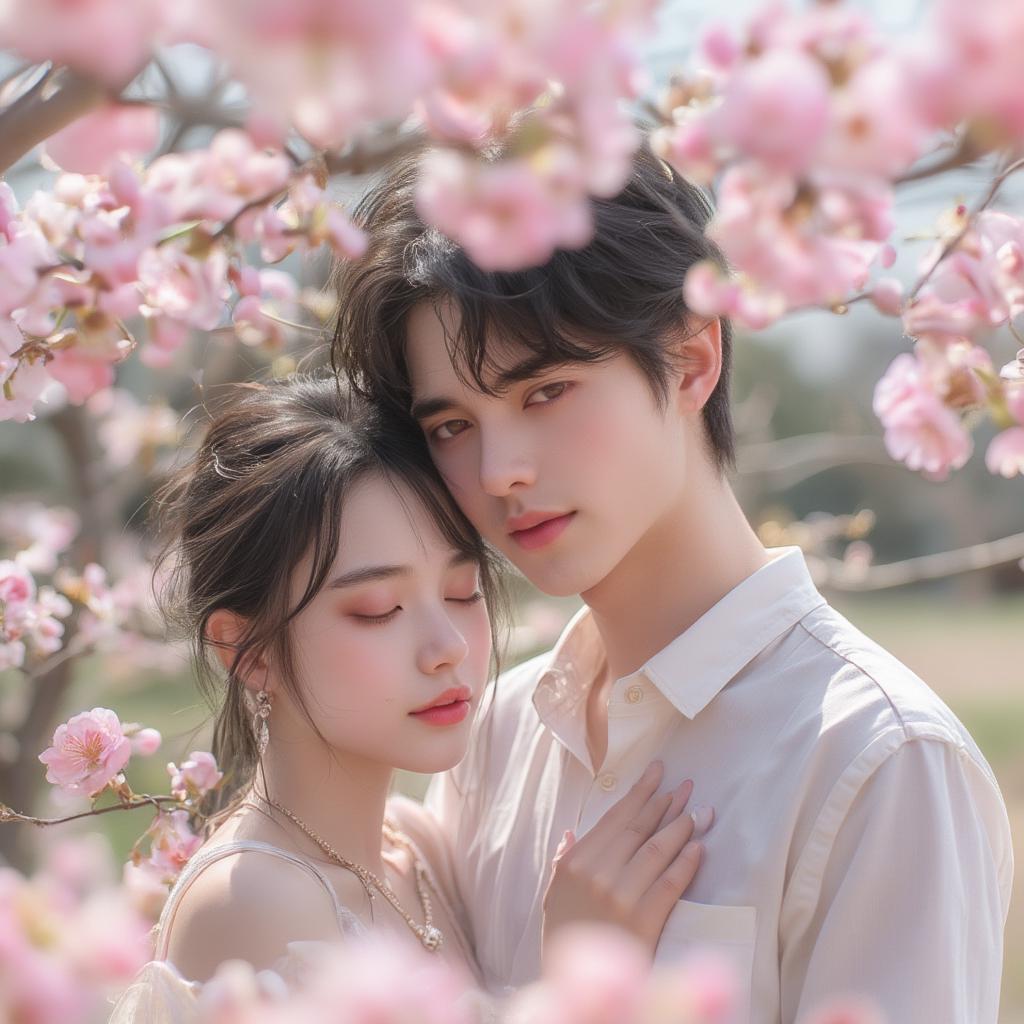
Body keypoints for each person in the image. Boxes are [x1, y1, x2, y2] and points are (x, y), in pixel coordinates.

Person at [334, 143, 1015, 1022]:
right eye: (454, 424)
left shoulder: (878, 761)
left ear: (693, 363)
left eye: (545, 392)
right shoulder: (494, 738)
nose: (498, 470)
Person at [110, 372, 710, 1020]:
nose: (446, 646)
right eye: (379, 609)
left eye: (462, 592)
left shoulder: (418, 849)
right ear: (248, 653)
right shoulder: (253, 905)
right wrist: (573, 978)